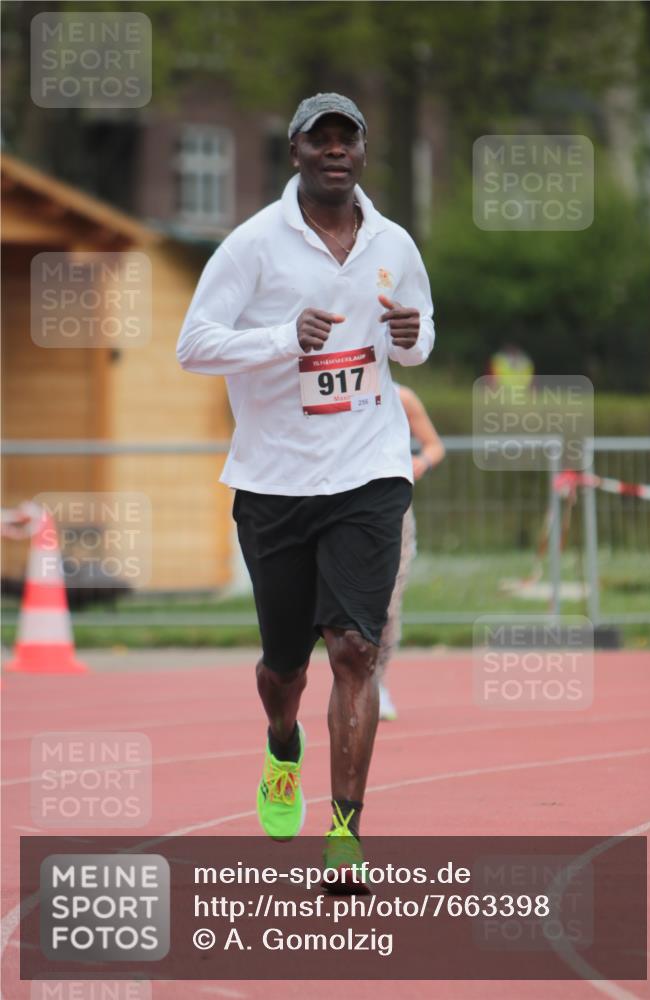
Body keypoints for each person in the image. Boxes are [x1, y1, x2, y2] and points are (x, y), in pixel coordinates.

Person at [177, 93, 434, 881]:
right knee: (284, 665)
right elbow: (195, 345)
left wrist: (409, 335)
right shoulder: (252, 245)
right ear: (294, 151)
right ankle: (281, 746)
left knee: (356, 648)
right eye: (318, 139)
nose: (333, 151)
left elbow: (420, 336)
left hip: (368, 468)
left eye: (345, 139)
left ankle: (345, 834)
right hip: (275, 478)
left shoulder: (392, 242)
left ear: (361, 152)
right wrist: (283, 339)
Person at [377, 385, 445, 721]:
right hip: (338, 507)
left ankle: (377, 682)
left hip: (393, 512)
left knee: (388, 602)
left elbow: (435, 445)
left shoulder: (402, 398)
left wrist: (422, 460)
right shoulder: (331, 389)